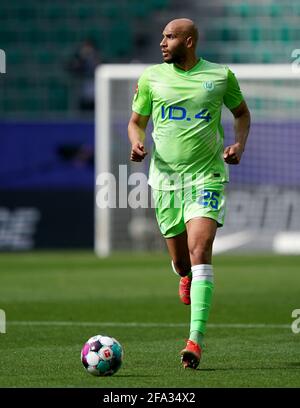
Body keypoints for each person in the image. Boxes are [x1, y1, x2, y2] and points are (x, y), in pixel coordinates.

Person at [128, 18, 251, 369]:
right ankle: (183, 275)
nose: (163, 43)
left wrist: (239, 144)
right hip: (165, 180)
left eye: (170, 37)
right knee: (183, 262)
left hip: (207, 177)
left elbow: (241, 114)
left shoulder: (220, 76)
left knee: (201, 250)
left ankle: (194, 340)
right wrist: (136, 141)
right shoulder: (152, 77)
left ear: (190, 41)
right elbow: (136, 121)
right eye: (162, 36)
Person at [65, 39, 101, 111]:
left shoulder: (97, 58)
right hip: (83, 89)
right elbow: (71, 67)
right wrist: (81, 60)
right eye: (85, 47)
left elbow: (99, 68)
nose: (87, 49)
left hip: (96, 89)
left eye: (88, 47)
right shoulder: (79, 58)